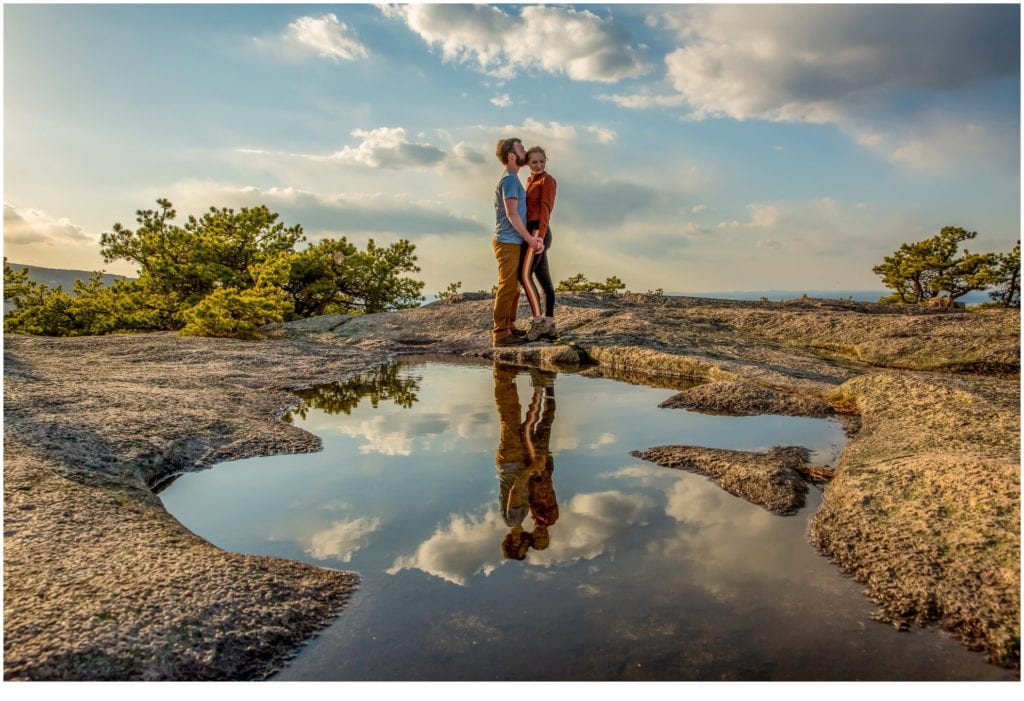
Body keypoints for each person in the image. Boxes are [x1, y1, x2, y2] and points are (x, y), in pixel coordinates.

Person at [492, 138, 544, 347]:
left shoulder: (512, 178)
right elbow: (512, 214)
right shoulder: (510, 180)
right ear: (512, 155)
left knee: (513, 288)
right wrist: (529, 238)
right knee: (507, 287)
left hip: (512, 240)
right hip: (508, 241)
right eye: (520, 148)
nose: (524, 150)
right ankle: (500, 334)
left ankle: (509, 327)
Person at [519, 146, 559, 342]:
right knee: (543, 279)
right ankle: (550, 326)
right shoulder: (529, 180)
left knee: (523, 275)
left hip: (538, 232)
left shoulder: (547, 180)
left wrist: (540, 237)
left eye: (542, 161)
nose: (539, 165)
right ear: (528, 163)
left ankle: (538, 322)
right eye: (534, 162)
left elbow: (546, 209)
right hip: (532, 231)